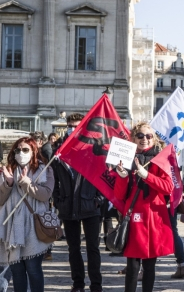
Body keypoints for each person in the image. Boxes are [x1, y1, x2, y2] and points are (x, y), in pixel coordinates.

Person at [114, 122, 175, 292]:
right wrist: (122, 176)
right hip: (134, 215)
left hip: (154, 216)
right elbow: (120, 195)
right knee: (132, 265)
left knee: (150, 265)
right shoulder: (126, 157)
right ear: (133, 138)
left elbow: (167, 187)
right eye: (140, 136)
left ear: (154, 139)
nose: (144, 139)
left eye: (148, 136)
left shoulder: (160, 158)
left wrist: (146, 175)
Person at [52, 113, 105, 292]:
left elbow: (104, 177)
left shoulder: (94, 148)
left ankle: (96, 285)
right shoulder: (59, 148)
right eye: (69, 125)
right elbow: (54, 178)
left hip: (90, 205)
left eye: (76, 126)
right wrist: (59, 201)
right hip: (68, 206)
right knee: (73, 249)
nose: (72, 129)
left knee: (93, 248)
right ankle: (78, 284)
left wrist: (98, 199)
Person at [0, 137, 54, 292]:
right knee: (17, 271)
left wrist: (26, 183)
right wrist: (8, 183)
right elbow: (0, 199)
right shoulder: (8, 169)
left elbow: (46, 195)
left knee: (33, 269)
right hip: (12, 227)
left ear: (33, 151)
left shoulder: (46, 170)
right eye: (17, 150)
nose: (20, 153)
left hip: (33, 225)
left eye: (25, 150)